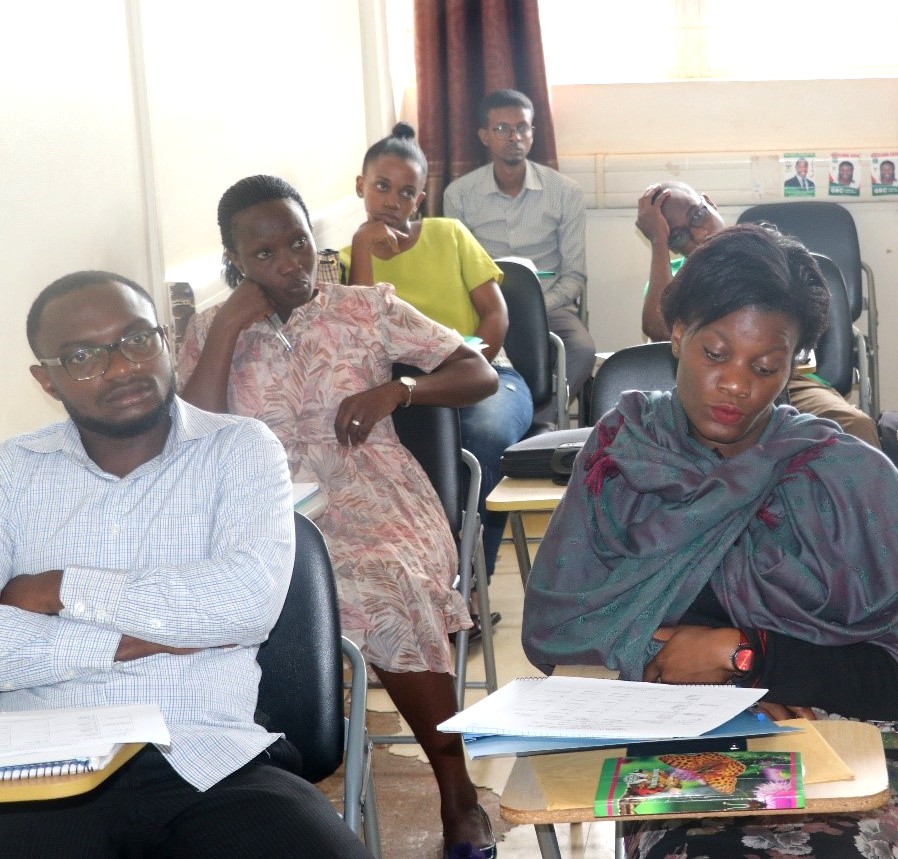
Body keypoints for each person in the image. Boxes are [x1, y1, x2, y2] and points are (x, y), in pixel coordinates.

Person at [523, 224, 898, 859]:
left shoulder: (845, 478)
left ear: (795, 363)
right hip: (684, 735)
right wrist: (718, 700)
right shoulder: (624, 455)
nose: (737, 385)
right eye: (715, 354)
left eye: (766, 366)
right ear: (677, 334)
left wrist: (742, 656)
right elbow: (566, 635)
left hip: (864, 738)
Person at [178, 175, 498, 857]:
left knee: (386, 580)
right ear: (234, 261)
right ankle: (249, 789)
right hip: (261, 506)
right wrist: (231, 326)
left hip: (374, 494)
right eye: (265, 254)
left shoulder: (365, 307)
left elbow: (479, 372)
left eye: (297, 240)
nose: (290, 261)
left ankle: (456, 790)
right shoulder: (210, 328)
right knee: (208, 594)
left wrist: (403, 388)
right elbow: (190, 435)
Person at [0, 271, 369, 856]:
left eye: (136, 339)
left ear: (166, 340)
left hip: (207, 757)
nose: (121, 367)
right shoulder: (9, 473)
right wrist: (148, 635)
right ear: (47, 379)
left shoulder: (241, 450)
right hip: (38, 769)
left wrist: (59, 591)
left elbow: (243, 603)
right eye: (83, 355)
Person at [341, 122, 533, 577]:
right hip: (402, 394)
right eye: (382, 187)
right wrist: (363, 247)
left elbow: (495, 317)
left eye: (407, 193)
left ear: (420, 199)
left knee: (482, 440)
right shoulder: (345, 261)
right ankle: (420, 576)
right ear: (360, 187)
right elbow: (362, 336)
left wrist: (466, 369)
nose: (392, 201)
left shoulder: (449, 234)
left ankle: (469, 580)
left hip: (487, 378)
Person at [636, 181, 881, 447]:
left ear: (710, 203)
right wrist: (658, 241)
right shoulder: (677, 278)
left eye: (698, 215)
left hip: (792, 382)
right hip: (709, 387)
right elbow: (657, 326)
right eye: (679, 236)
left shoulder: (773, 257)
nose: (699, 233)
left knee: (855, 426)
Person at [444, 88, 593, 421]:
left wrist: (538, 308)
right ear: (484, 135)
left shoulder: (565, 192)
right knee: (453, 353)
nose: (514, 136)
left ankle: (540, 416)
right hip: (484, 307)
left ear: (532, 133)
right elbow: (457, 271)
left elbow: (574, 275)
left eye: (522, 128)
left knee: (582, 350)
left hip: (550, 305)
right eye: (502, 129)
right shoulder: (460, 195)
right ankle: (502, 409)